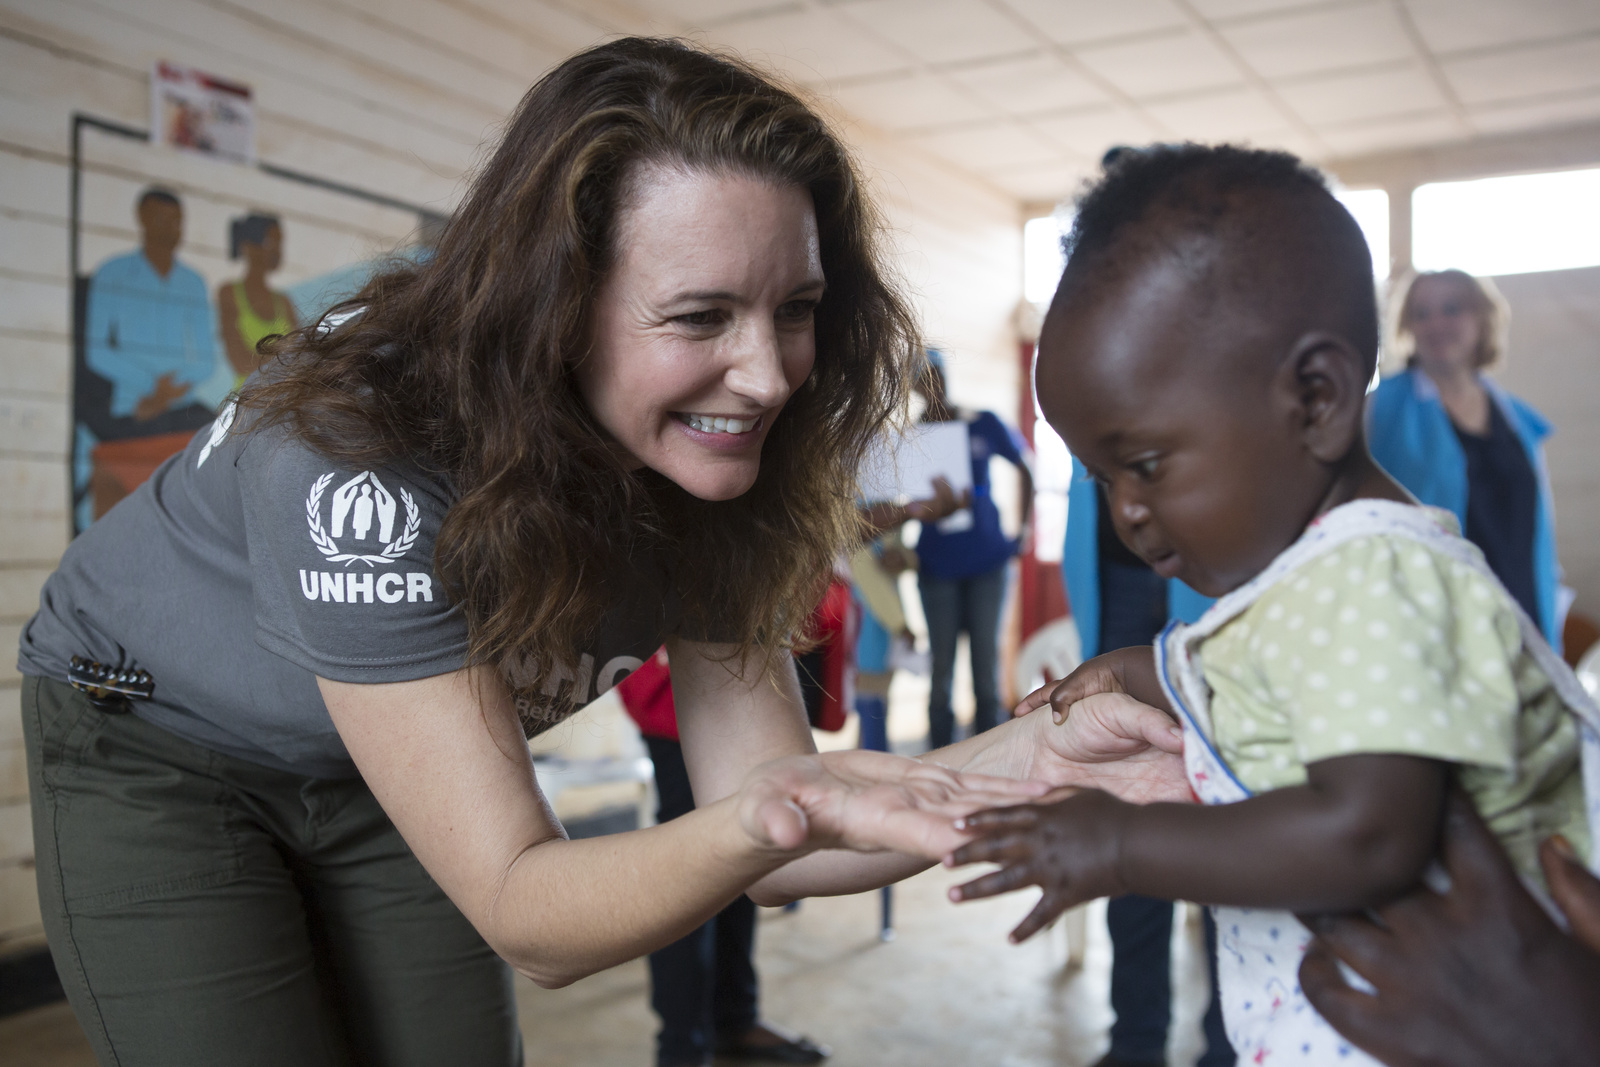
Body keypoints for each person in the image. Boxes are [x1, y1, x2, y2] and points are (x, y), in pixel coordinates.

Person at [19, 39, 1186, 1067]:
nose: (773, 373)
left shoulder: (728, 459)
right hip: (163, 747)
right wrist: (760, 818)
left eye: (795, 307)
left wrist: (1047, 751)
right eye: (699, 316)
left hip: (375, 759)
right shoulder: (355, 457)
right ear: (550, 306)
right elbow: (535, 914)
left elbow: (770, 834)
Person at [948, 144, 1599, 1065]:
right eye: (1098, 478)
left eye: (1143, 464)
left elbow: (1368, 829)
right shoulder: (1313, 580)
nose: (1125, 513)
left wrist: (1126, 843)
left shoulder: (1374, 573)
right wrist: (1145, 672)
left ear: (1317, 399)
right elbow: (1283, 678)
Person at [1061, 470, 1230, 1067]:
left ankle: (1229, 1046)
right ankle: (1135, 1041)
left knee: (1223, 832)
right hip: (1121, 589)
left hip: (1214, 585)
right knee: (1134, 825)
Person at [617, 649, 830, 1067]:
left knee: (744, 841)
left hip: (742, 680)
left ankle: (733, 1019)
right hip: (679, 684)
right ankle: (681, 1047)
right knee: (690, 865)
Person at [1369, 268, 1564, 652]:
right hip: (1433, 622)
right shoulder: (1378, 410)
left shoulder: (1519, 422)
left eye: (1451, 309)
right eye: (1422, 314)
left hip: (1519, 611)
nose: (1436, 323)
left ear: (1482, 320)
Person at [912, 353, 1033, 748]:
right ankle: (939, 760)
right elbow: (890, 506)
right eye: (921, 379)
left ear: (947, 375)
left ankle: (989, 757)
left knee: (986, 667)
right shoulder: (911, 439)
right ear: (911, 388)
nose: (932, 384)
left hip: (988, 563)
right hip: (936, 567)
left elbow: (1026, 467)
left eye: (937, 374)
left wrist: (1025, 530)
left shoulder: (983, 423)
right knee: (941, 672)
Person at [81, 186, 219, 518]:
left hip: (179, 403)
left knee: (223, 440)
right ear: (142, 219)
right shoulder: (112, 273)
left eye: (177, 221)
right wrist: (150, 385)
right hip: (131, 407)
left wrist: (165, 395)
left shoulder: (193, 282)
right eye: (162, 219)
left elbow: (205, 359)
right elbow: (97, 351)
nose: (172, 228)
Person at [218, 213, 298, 388]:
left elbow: (300, 356)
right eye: (270, 242)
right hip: (246, 402)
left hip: (280, 403)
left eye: (279, 243)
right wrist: (281, 358)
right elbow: (239, 361)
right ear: (248, 246)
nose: (277, 251)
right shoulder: (229, 293)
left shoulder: (283, 302)